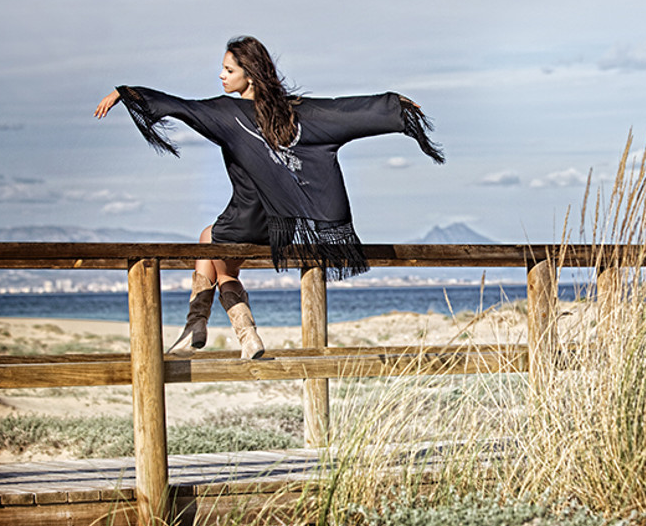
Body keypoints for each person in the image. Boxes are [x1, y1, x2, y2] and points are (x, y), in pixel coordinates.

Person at [95, 36, 444, 359]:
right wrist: (394, 106)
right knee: (208, 239)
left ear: (250, 74)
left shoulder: (227, 113)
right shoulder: (296, 113)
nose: (221, 76)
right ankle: (196, 325)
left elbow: (181, 107)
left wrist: (126, 93)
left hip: (245, 218)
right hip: (281, 226)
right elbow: (344, 111)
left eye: (229, 70)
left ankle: (239, 333)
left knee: (219, 259)